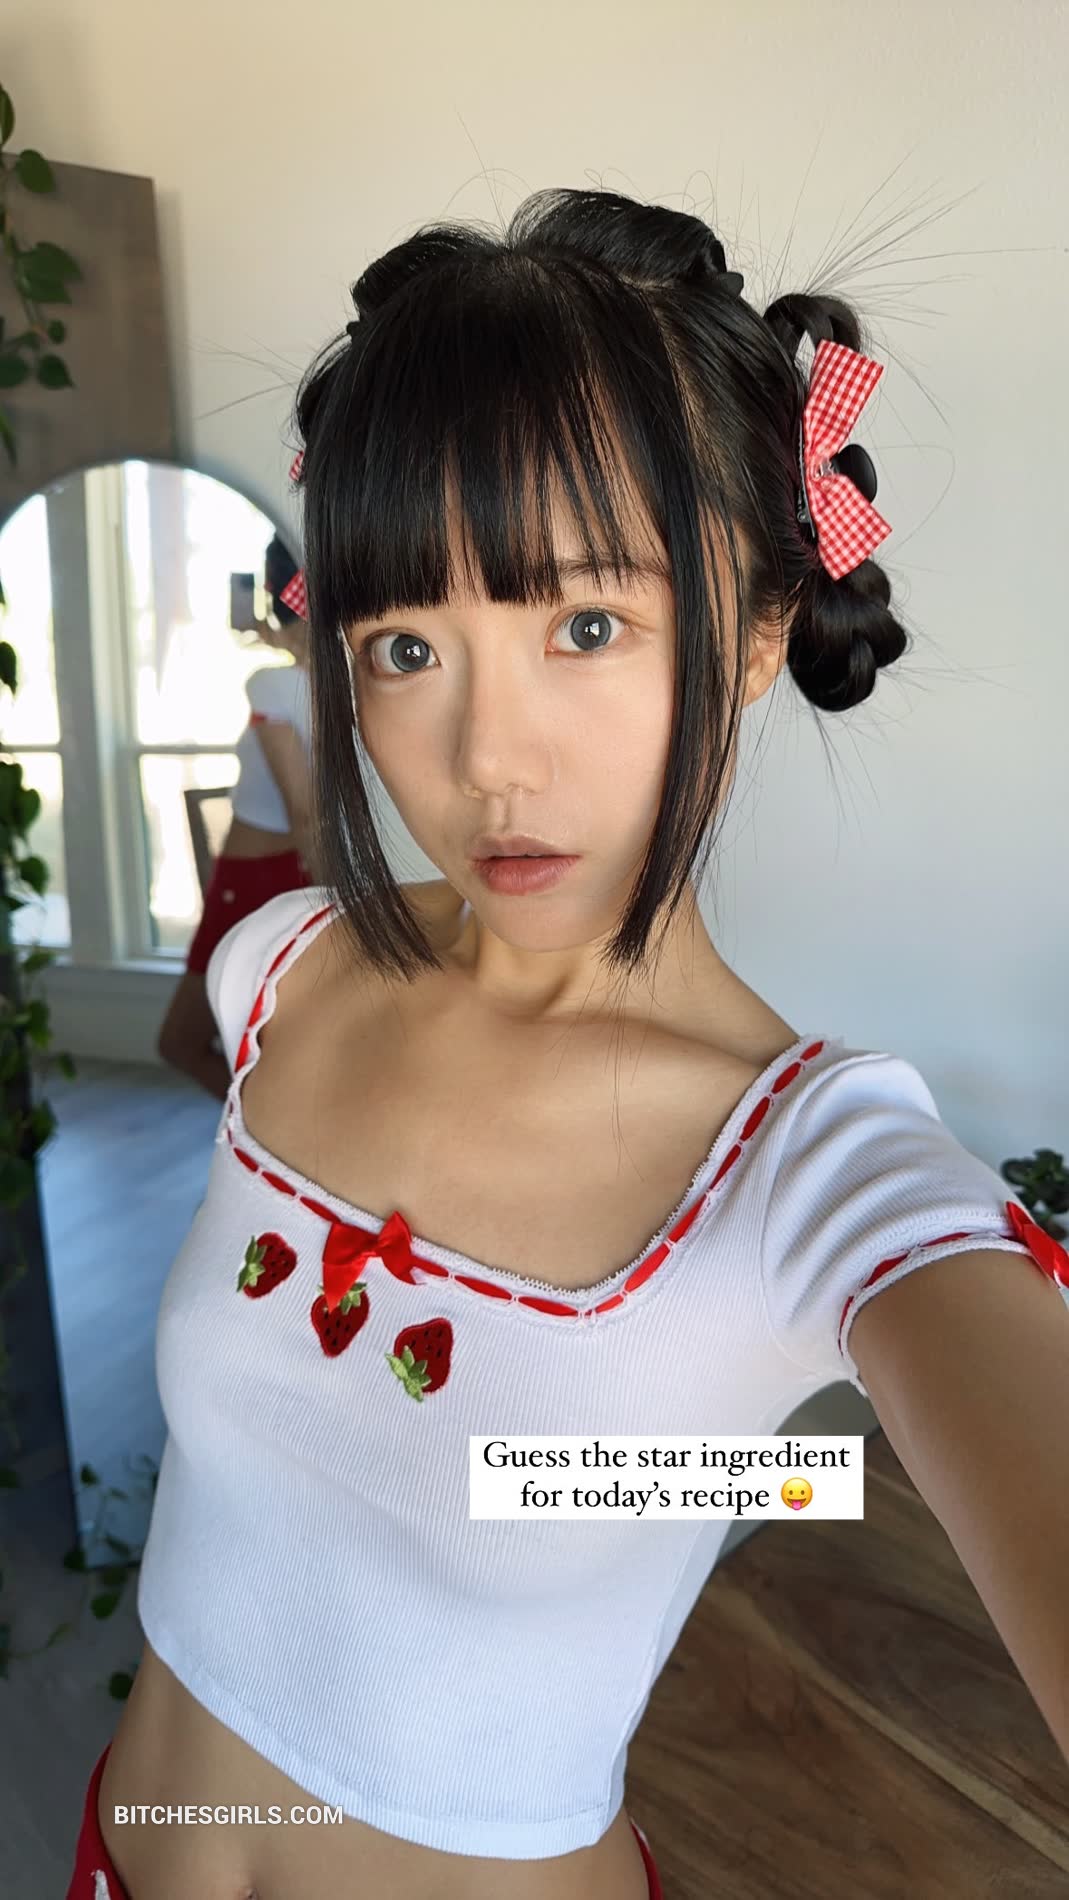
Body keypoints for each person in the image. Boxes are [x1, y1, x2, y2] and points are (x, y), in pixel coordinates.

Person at [69, 188, 1069, 1900]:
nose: (486, 759)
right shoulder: (280, 975)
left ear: (758, 633)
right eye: (405, 646)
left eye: (586, 628)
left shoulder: (820, 1177)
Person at [156, 535, 318, 1100]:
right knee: (284, 1047)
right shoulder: (338, 685)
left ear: (274, 591)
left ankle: (267, 1133)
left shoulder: (271, 685)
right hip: (286, 881)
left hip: (252, 886)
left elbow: (304, 813)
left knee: (178, 1042)